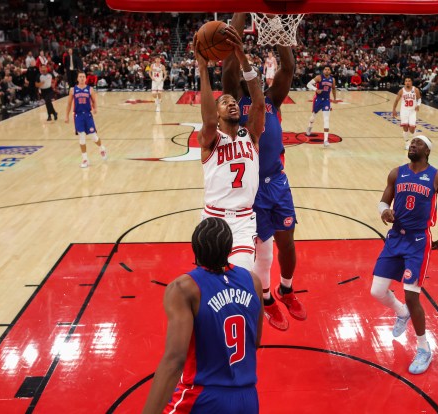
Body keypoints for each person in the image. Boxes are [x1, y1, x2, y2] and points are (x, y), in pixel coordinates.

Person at [223, 13, 306, 331]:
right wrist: (240, 19)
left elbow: (288, 69)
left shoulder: (272, 99)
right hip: (250, 187)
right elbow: (230, 68)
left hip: (277, 182)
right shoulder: (235, 102)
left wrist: (280, 29)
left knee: (288, 241)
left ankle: (286, 288)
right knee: (261, 245)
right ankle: (268, 298)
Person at [142, 218, 263, 414]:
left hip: (203, 398)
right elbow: (255, 342)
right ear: (229, 248)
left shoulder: (184, 288)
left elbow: (175, 360)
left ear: (195, 248)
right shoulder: (253, 281)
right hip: (247, 398)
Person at [370, 135, 438, 375]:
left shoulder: (437, 176)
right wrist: (384, 211)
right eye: (412, 142)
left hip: (418, 241)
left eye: (418, 143)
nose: (413, 145)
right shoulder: (396, 173)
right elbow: (384, 201)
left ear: (427, 150)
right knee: (376, 291)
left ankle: (424, 347)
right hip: (396, 237)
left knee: (411, 295)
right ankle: (401, 313)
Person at [195, 24, 265, 271]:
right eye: (224, 102)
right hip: (214, 218)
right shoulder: (210, 140)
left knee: (244, 278)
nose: (231, 103)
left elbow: (259, 103)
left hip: (244, 220)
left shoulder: (251, 135)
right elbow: (209, 121)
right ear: (216, 112)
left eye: (234, 101)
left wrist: (242, 58)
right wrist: (203, 69)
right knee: (212, 285)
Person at [64, 72, 107, 168]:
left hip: (88, 115)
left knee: (94, 136)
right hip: (78, 116)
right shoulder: (72, 90)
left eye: (83, 77)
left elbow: (94, 101)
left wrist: (95, 108)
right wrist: (66, 116)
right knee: (82, 137)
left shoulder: (90, 89)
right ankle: (85, 159)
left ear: (86, 78)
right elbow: (69, 104)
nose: (82, 78)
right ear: (77, 78)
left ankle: (101, 148)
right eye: (80, 77)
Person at [306, 66, 337, 147]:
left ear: (330, 71)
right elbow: (308, 84)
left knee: (326, 120)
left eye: (328, 70)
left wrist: (335, 98)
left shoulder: (332, 79)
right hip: (318, 99)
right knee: (313, 116)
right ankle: (309, 127)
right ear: (323, 71)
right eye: (325, 69)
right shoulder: (319, 77)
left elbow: (333, 89)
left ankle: (325, 140)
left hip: (326, 101)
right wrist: (316, 89)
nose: (327, 71)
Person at [393, 77, 422, 150]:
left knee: (412, 128)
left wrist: (418, 105)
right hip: (404, 111)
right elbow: (396, 101)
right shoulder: (401, 91)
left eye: (409, 81)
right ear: (404, 82)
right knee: (405, 128)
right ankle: (407, 143)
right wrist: (394, 109)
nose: (407, 82)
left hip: (412, 112)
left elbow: (419, 99)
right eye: (406, 81)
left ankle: (414, 142)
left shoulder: (415, 90)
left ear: (411, 82)